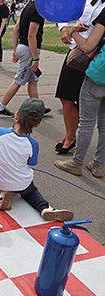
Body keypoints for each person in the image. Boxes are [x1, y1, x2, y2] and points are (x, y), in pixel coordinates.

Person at [0, 98, 74, 221]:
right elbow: (32, 163)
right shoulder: (33, 144)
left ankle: (2, 194)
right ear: (38, 123)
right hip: (22, 183)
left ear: (16, 115)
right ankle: (44, 208)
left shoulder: (1, 132)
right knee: (32, 192)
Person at [54, 8, 105, 179]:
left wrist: (74, 31)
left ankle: (77, 162)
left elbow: (87, 46)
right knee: (103, 124)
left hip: (97, 69)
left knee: (87, 121)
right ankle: (99, 165)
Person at [0, 0, 44, 118]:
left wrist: (15, 49)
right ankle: (1, 108)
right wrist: (35, 58)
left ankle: (37, 108)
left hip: (22, 47)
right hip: (29, 50)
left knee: (33, 80)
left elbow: (16, 28)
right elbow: (31, 36)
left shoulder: (28, 7)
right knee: (18, 81)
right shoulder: (38, 11)